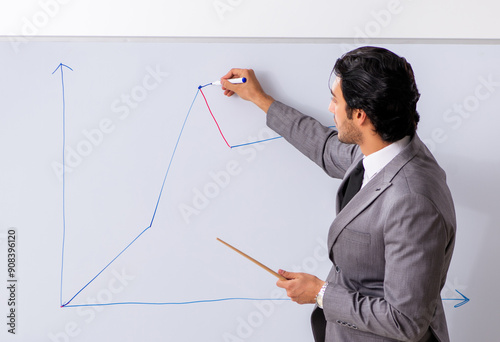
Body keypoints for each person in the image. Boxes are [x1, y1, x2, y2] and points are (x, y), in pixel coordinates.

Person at [219, 46, 456, 342]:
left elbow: (405, 321)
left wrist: (320, 293)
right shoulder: (382, 149)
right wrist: (259, 99)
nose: (330, 108)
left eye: (335, 100)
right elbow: (325, 147)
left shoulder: (413, 201)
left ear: (360, 115)